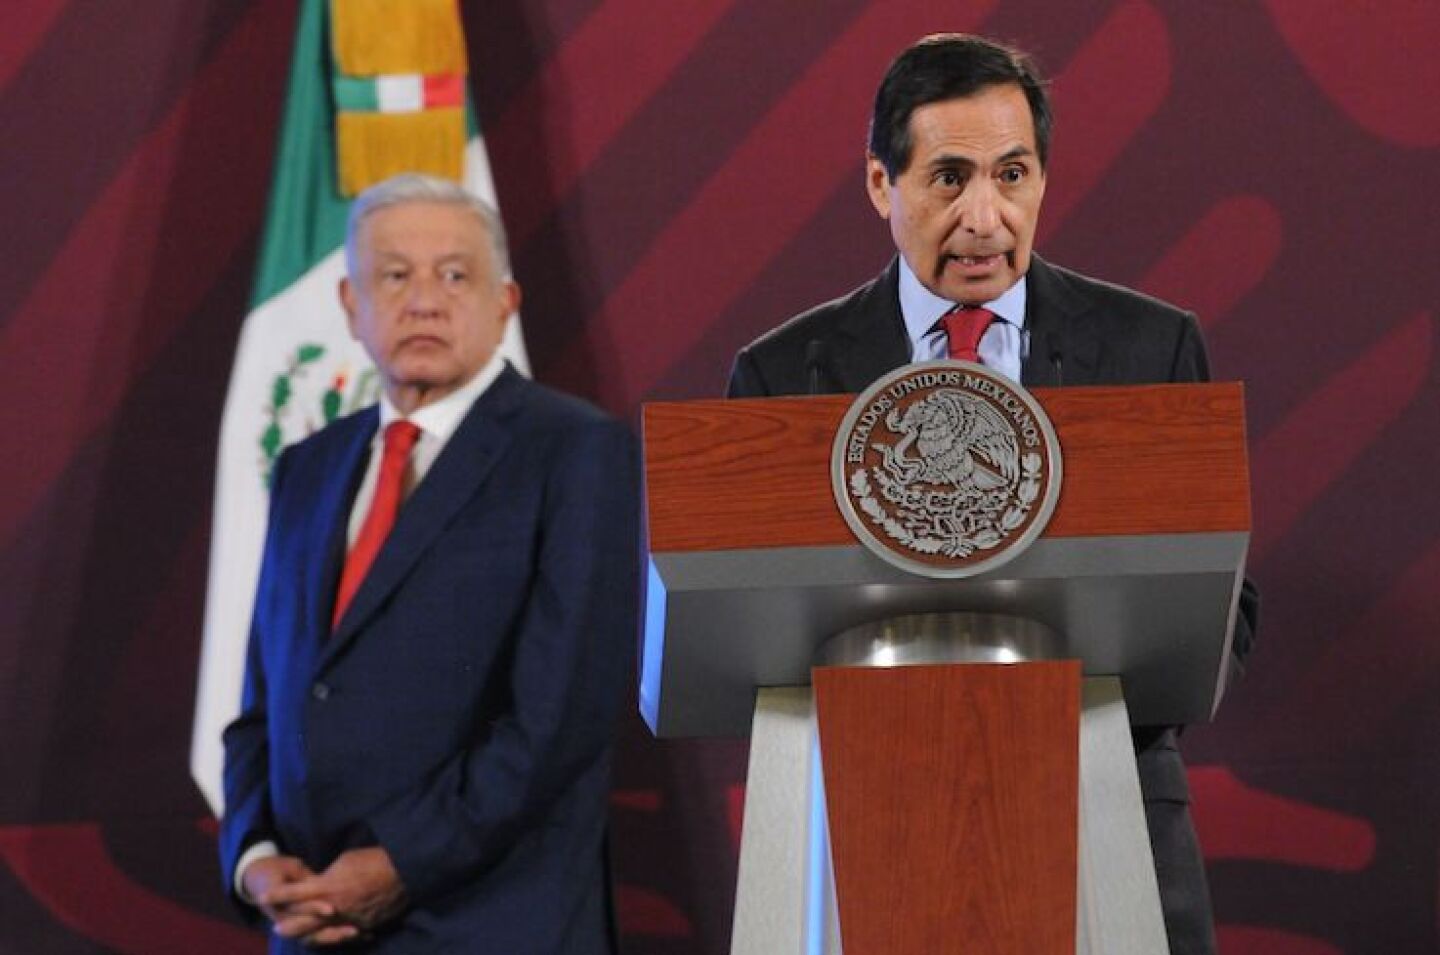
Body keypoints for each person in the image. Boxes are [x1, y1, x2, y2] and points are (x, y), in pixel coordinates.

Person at [727, 34, 1257, 955]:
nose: (985, 218)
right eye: (949, 178)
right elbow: (738, 628)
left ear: (1043, 177)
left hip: (1109, 815)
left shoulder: (1148, 350)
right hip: (869, 827)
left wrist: (1055, 714)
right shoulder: (785, 376)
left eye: (1012, 175)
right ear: (881, 184)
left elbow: (1225, 611)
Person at [219, 173, 639, 953]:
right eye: (394, 275)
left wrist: (399, 863)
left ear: (504, 301)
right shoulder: (309, 466)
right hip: (314, 925)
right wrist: (254, 857)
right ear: (351, 304)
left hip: (493, 925)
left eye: (453, 274)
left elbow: (556, 722)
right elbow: (265, 700)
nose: (423, 301)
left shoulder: (576, 451)